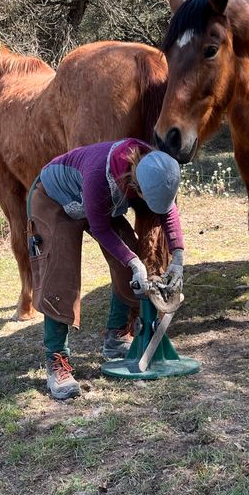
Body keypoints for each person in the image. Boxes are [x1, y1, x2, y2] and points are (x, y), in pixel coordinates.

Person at [28, 138, 185, 400]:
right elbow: (100, 228)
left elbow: (168, 212)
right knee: (61, 275)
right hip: (54, 199)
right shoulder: (100, 175)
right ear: (138, 187)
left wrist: (178, 255)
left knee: (133, 269)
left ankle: (116, 335)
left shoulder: (156, 168)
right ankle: (57, 362)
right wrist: (133, 261)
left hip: (93, 203)